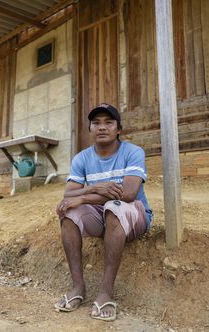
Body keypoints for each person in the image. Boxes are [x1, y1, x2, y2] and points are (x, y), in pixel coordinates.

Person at [54, 103, 153, 322]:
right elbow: (68, 194)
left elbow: (128, 194)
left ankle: (106, 292)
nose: (102, 127)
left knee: (113, 207)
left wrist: (82, 197)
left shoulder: (133, 152)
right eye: (96, 123)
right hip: (102, 216)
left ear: (119, 129)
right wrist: (93, 188)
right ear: (89, 129)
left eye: (108, 122)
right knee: (68, 214)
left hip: (134, 215)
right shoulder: (81, 158)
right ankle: (78, 287)